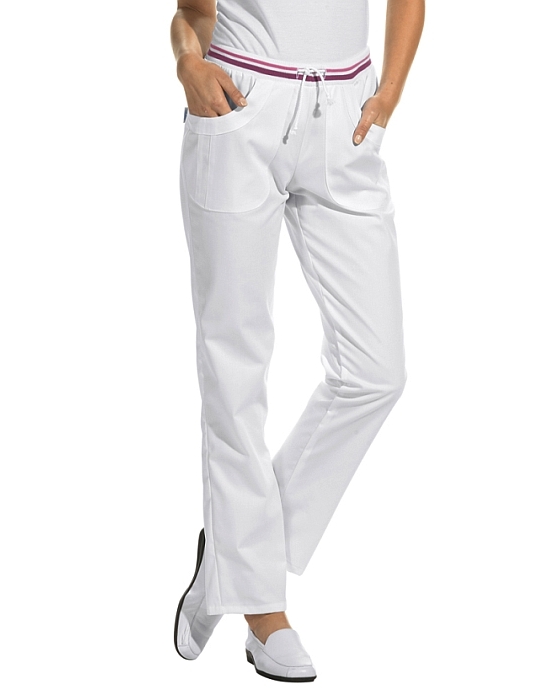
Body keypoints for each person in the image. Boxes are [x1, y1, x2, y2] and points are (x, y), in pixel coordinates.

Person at [170, 0, 424, 682]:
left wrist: (390, 93)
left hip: (347, 114)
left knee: (376, 372)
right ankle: (262, 612)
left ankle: (230, 559)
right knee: (235, 367)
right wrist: (188, 64)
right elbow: (191, 13)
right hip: (240, 106)